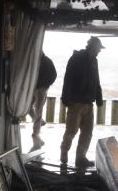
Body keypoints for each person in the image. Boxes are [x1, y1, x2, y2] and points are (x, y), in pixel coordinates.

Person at [60, 36, 104, 169]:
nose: (99, 51)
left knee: (88, 132)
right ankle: (64, 150)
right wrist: (66, 98)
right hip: (76, 102)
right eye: (98, 48)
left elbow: (97, 80)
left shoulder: (94, 61)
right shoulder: (76, 58)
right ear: (93, 47)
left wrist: (99, 98)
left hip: (89, 102)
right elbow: (68, 78)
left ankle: (81, 158)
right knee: (71, 130)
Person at [29, 52, 57, 149]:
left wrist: (45, 85)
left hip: (41, 89)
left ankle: (35, 134)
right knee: (29, 107)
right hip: (34, 88)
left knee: (38, 111)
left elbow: (54, 75)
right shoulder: (35, 61)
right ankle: (39, 123)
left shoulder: (46, 61)